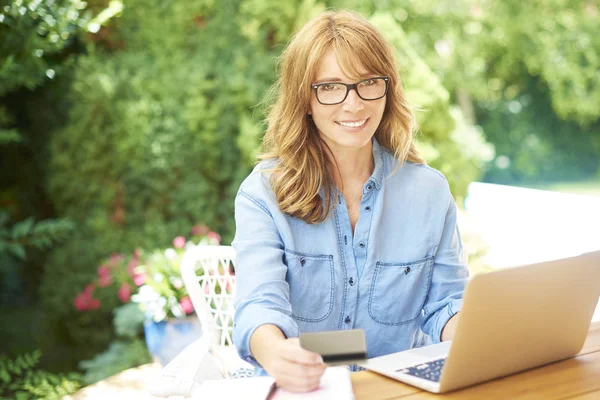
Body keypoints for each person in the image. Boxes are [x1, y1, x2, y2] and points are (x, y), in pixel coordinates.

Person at [231, 9, 469, 393]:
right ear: (304, 99)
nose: (354, 104)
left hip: (397, 388)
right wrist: (276, 355)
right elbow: (259, 306)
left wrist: (481, 340)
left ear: (387, 88)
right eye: (329, 87)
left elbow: (448, 303)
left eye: (368, 82)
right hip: (305, 391)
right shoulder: (263, 194)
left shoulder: (429, 192)